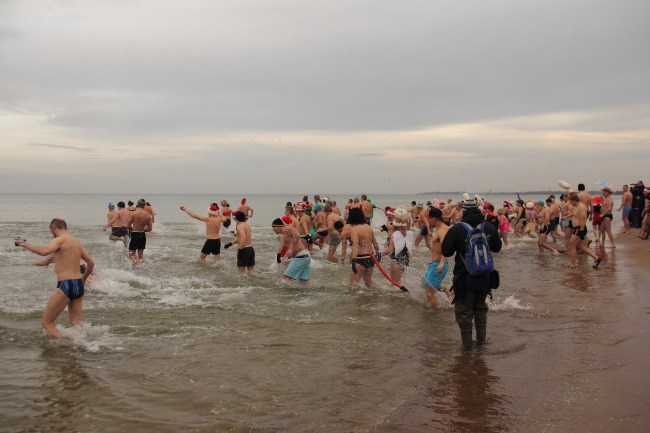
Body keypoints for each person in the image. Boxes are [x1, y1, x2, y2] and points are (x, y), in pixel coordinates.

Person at [15, 218, 94, 338]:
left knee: (47, 323)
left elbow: (44, 251)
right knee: (76, 324)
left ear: (53, 228)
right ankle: (85, 346)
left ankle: (66, 346)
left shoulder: (59, 240)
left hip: (66, 284)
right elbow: (91, 263)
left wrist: (23, 244)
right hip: (78, 285)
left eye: (51, 230)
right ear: (65, 227)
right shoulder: (76, 242)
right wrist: (83, 280)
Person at [442, 196, 502, 349]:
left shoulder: (457, 229)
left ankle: (467, 350)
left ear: (463, 211)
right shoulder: (488, 227)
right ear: (479, 210)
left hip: (464, 278)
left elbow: (446, 251)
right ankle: (482, 345)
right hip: (486, 277)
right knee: (480, 308)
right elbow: (497, 247)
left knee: (464, 313)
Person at [423, 207, 450, 307]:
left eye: (428, 218)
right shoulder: (441, 229)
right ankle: (446, 291)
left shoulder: (442, 230)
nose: (428, 221)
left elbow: (446, 247)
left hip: (439, 265)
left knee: (430, 294)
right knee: (425, 285)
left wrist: (442, 263)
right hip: (435, 264)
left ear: (433, 219)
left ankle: (434, 316)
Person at [349, 207, 380, 288]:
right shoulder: (368, 227)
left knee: (353, 282)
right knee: (368, 282)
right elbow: (374, 242)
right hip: (370, 257)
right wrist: (378, 253)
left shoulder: (355, 229)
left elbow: (355, 245)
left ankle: (355, 300)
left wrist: (353, 260)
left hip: (360, 258)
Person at [568, 194, 601, 268]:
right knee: (582, 246)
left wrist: (582, 230)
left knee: (572, 246)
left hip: (579, 228)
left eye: (570, 202)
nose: (570, 204)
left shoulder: (581, 207)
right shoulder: (576, 207)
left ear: (574, 200)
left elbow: (583, 219)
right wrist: (566, 216)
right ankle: (597, 258)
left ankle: (572, 264)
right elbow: (574, 214)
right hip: (577, 228)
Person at [382, 215, 412, 287]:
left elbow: (389, 250)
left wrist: (380, 253)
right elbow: (409, 252)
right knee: (399, 281)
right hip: (405, 259)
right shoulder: (409, 234)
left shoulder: (394, 235)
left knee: (394, 283)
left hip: (395, 259)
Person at [128, 199, 153, 265]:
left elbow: (128, 225)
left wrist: (132, 229)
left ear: (137, 204)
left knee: (131, 255)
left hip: (135, 234)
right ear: (144, 205)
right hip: (142, 234)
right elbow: (150, 229)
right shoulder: (147, 215)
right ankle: (142, 266)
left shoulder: (134, 213)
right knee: (141, 255)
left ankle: (139, 265)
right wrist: (143, 230)